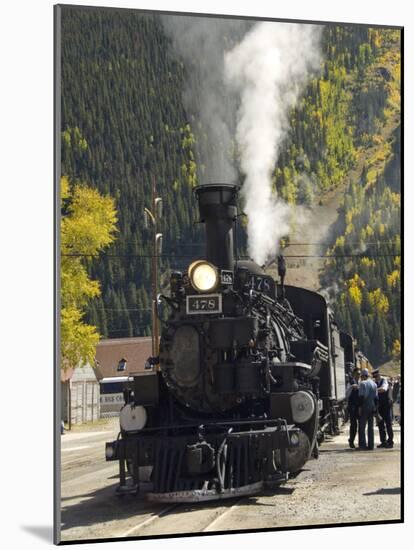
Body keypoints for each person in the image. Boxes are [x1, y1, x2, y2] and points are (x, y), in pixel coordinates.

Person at [372, 368, 394, 448]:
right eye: (375, 377)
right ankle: (383, 442)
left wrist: (374, 390)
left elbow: (383, 389)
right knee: (380, 424)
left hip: (386, 405)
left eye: (376, 376)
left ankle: (390, 442)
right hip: (379, 406)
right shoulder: (375, 382)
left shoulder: (384, 381)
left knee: (388, 424)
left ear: (378, 375)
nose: (376, 378)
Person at [358, 368, 378, 450]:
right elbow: (376, 398)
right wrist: (376, 409)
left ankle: (362, 445)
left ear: (363, 376)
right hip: (372, 406)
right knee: (370, 428)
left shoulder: (362, 383)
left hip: (364, 406)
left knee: (362, 427)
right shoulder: (374, 384)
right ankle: (371, 445)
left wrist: (359, 407)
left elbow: (361, 397)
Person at [346, 367, 361, 448]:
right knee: (354, 425)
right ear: (354, 374)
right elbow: (347, 394)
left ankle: (361, 442)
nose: (358, 375)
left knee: (361, 425)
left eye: (359, 374)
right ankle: (351, 440)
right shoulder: (351, 382)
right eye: (357, 374)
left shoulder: (361, 382)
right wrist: (351, 387)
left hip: (359, 406)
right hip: (352, 406)